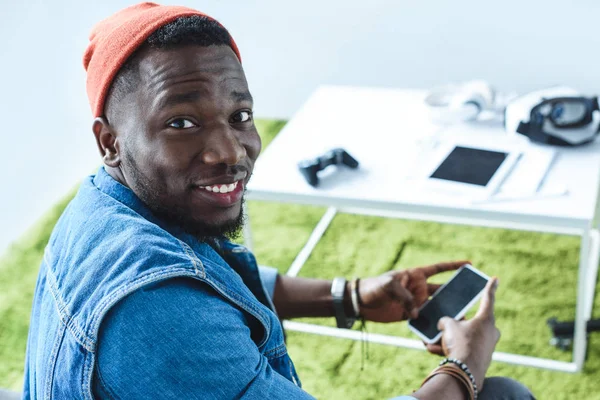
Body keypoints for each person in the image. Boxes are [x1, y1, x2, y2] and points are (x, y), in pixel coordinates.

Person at [22, 3, 535, 399]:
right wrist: (463, 367)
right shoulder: (157, 313)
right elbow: (182, 307)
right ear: (110, 140)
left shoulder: (103, 200)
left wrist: (349, 295)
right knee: (502, 394)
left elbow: (213, 281)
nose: (230, 152)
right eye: (181, 122)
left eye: (240, 115)